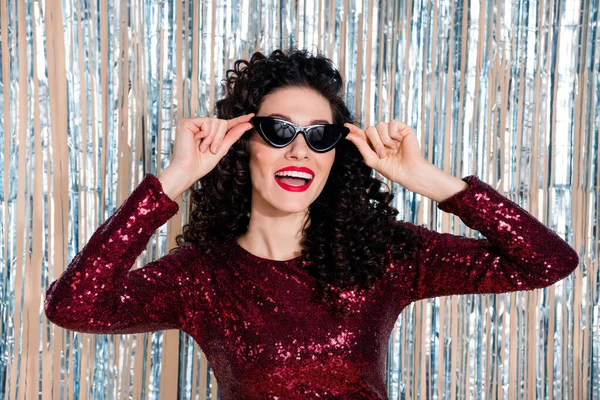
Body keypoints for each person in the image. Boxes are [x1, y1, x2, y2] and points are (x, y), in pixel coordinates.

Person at [44, 48, 579, 399]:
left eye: (320, 135)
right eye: (278, 130)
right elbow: (74, 305)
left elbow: (548, 262)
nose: (299, 149)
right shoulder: (200, 277)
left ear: (334, 154)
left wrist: (428, 178)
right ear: (240, 146)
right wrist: (176, 176)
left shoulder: (380, 255)